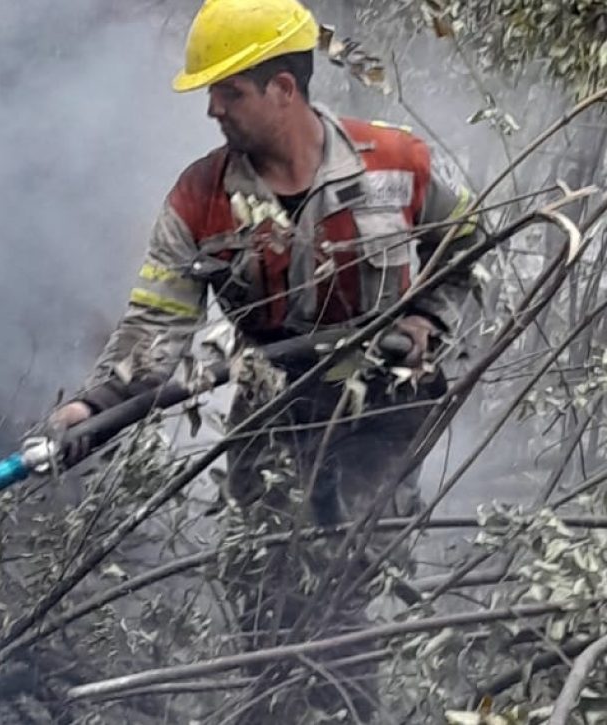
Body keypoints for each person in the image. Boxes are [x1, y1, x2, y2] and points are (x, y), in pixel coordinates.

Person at [48, 0, 479, 721]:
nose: (212, 109)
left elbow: (469, 252)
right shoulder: (200, 199)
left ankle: (345, 712)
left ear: (284, 89)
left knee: (342, 589)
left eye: (229, 91)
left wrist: (427, 320)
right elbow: (156, 329)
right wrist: (88, 409)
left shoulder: (399, 163)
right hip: (271, 416)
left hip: (383, 417)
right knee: (268, 595)